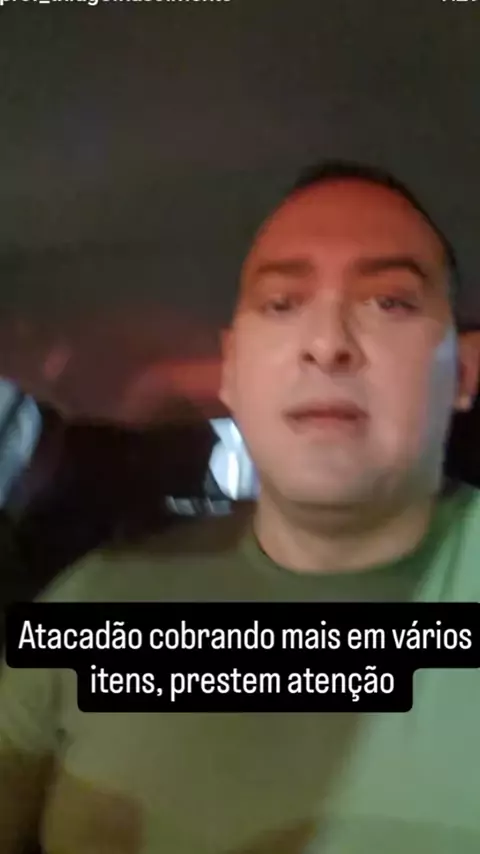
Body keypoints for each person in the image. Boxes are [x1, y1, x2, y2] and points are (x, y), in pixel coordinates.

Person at [1, 160, 479, 854]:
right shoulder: (97, 601)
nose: (327, 344)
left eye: (390, 302)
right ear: (231, 369)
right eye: (281, 304)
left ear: (462, 371)